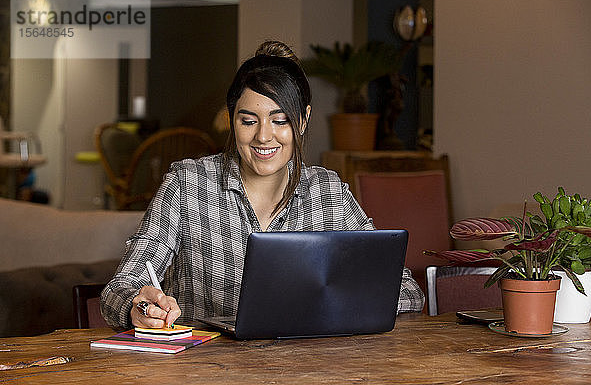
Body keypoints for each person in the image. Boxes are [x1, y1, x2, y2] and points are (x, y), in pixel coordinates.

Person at [100, 41, 425, 329]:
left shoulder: (328, 193)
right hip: (203, 371)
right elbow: (120, 288)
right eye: (249, 120)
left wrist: (325, 305)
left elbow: (406, 291)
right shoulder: (189, 185)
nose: (264, 136)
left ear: (302, 120)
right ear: (232, 119)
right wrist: (140, 307)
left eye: (280, 120)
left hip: (306, 370)